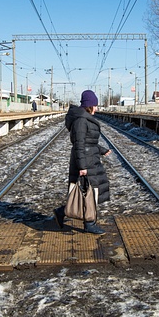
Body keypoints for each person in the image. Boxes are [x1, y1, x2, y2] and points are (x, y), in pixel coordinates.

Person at [54, 90, 111, 234]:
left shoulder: (84, 119)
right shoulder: (81, 121)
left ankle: (63, 212)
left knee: (89, 192)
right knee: (88, 193)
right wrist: (82, 167)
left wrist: (102, 150)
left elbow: (89, 142)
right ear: (89, 105)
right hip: (85, 161)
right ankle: (89, 223)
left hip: (91, 159)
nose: (97, 108)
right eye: (95, 105)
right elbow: (79, 144)